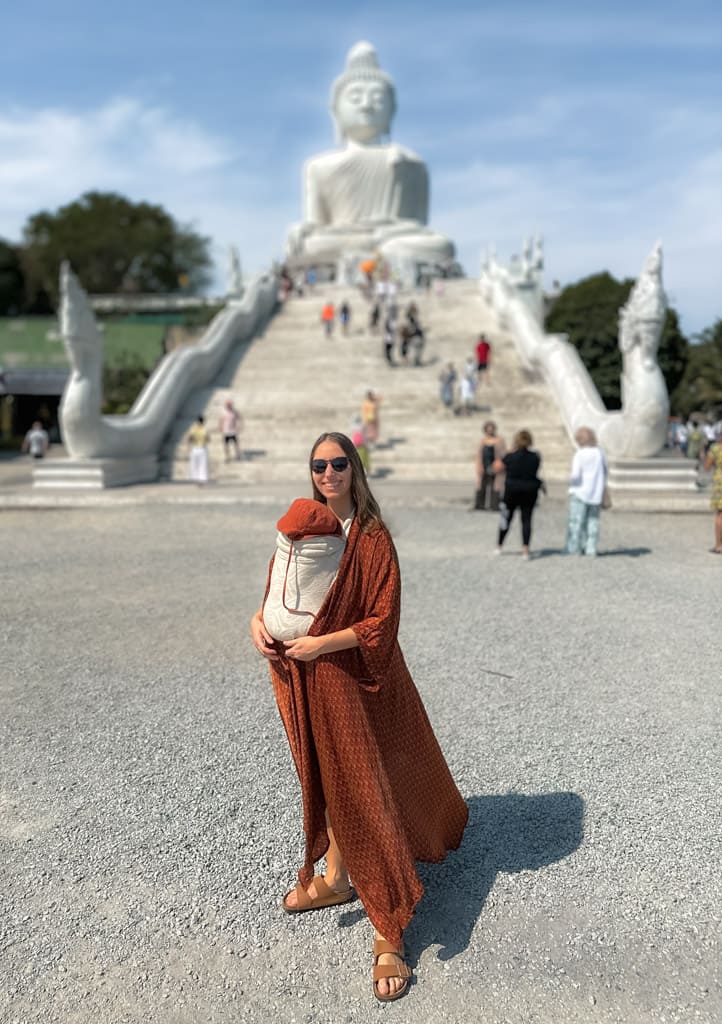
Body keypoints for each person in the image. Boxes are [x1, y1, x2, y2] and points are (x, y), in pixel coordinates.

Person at [249, 433, 468, 1002]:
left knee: (365, 789)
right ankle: (339, 880)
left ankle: (388, 928)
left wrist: (322, 645)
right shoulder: (305, 527)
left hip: (359, 680)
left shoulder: (371, 538)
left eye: (338, 463)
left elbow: (382, 621)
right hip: (309, 680)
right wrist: (256, 624)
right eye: (319, 465)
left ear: (355, 468)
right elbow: (280, 592)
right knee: (329, 777)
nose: (328, 473)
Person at [494, 429, 543, 559]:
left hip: (512, 490)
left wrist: (509, 453)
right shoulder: (535, 456)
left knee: (506, 517)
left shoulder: (510, 456)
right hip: (530, 490)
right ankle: (525, 549)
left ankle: (499, 545)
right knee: (526, 519)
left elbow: (496, 467)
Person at [564, 427, 608, 557]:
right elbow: (605, 471)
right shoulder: (600, 453)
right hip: (596, 492)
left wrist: (569, 480)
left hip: (580, 491)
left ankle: (574, 547)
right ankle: (591, 548)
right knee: (593, 521)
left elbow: (576, 475)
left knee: (576, 521)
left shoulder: (580, 454)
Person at [474, 421, 505, 510]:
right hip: (484, 465)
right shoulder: (482, 441)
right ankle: (480, 505)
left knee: (495, 486)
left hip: (495, 465)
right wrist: (479, 466)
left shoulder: (499, 440)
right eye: (488, 428)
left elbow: (503, 453)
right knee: (482, 485)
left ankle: (494, 505)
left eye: (491, 428)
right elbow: (479, 454)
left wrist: (500, 464)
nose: (490, 430)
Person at [704, 435, 722, 553]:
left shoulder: (716, 449)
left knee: (720, 515)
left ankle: (719, 545)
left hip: (720, 484)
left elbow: (707, 467)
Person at [187, 414, 210, 485]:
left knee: (196, 464)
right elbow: (208, 439)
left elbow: (189, 439)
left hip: (196, 448)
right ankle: (201, 479)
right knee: (202, 464)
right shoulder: (204, 429)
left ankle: (198, 479)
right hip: (202, 448)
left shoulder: (193, 429)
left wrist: (190, 445)